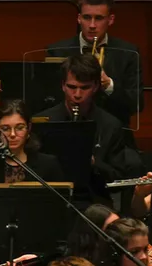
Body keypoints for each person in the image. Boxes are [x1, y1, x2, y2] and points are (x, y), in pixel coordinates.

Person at [34, 53, 140, 203]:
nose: (77, 95)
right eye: (72, 87)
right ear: (63, 85)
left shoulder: (110, 125)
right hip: (50, 199)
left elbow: (117, 180)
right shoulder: (43, 121)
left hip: (94, 201)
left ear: (96, 86)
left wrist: (93, 162)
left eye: (85, 88)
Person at [46, 0, 143, 130]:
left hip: (114, 132)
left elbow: (136, 105)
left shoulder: (128, 53)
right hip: (66, 128)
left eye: (98, 18)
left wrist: (108, 85)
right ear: (79, 18)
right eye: (87, 18)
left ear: (110, 20)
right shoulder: (57, 51)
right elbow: (48, 100)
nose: (92, 25)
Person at [0, 98, 65, 183]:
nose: (12, 134)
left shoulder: (49, 164)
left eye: (19, 128)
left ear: (28, 128)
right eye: (5, 129)